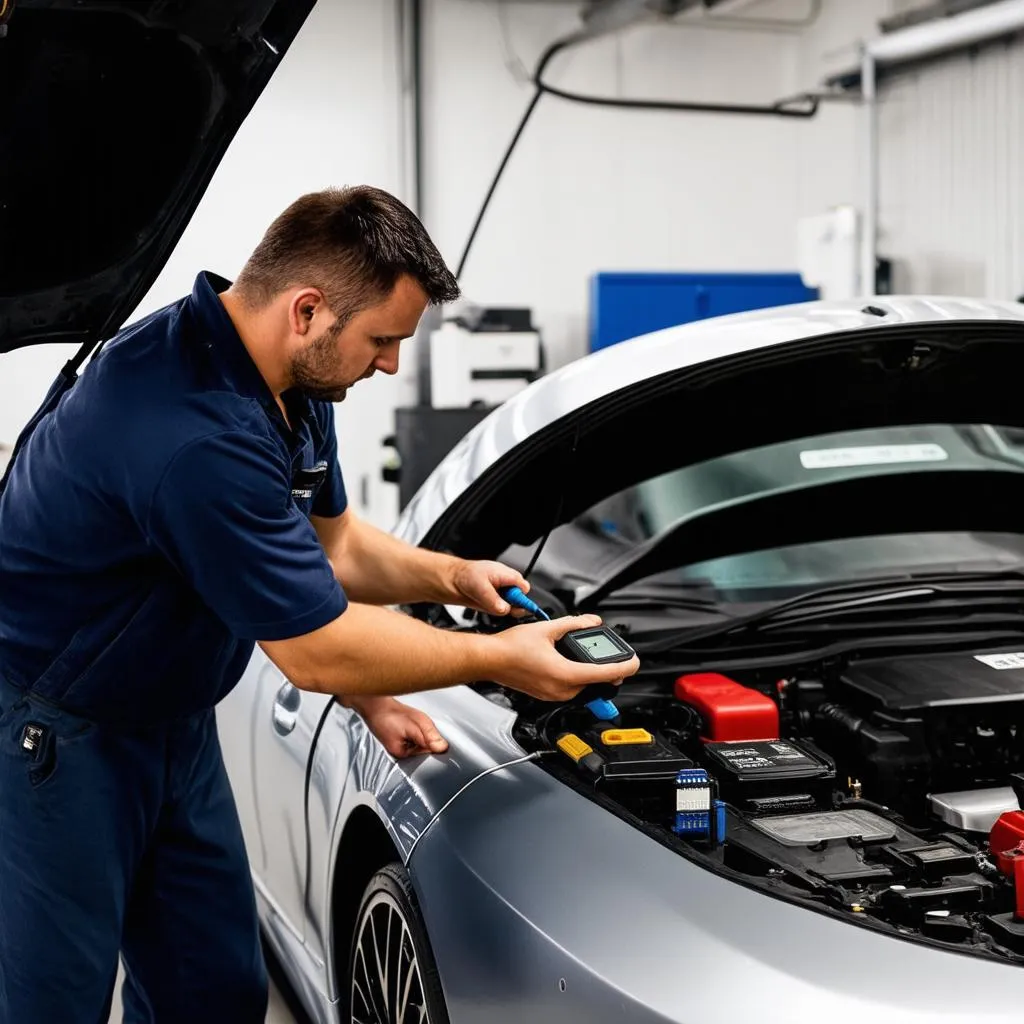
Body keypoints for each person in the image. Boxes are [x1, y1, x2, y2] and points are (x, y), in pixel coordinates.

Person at [0, 185, 639, 1023]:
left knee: (215, 990)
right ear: (308, 310)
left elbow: (332, 548)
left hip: (174, 719)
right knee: (54, 1004)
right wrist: (499, 658)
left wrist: (453, 579)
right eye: (382, 340)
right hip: (57, 733)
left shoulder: (290, 381)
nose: (389, 365)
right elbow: (315, 649)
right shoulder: (188, 431)